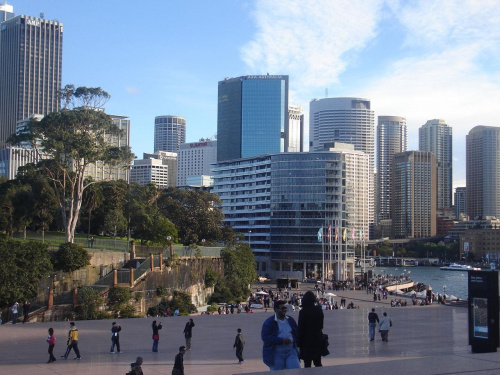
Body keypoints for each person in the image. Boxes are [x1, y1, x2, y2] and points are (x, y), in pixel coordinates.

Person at [261, 300, 300, 371]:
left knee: (296, 371)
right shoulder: (269, 322)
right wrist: (282, 341)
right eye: (282, 308)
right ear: (275, 309)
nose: (284, 310)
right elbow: (265, 338)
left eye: (285, 308)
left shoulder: (290, 320)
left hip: (291, 351)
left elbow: (297, 333)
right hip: (276, 352)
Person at [298, 290, 324, 368]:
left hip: (306, 340)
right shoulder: (319, 310)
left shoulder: (303, 312)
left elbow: (300, 328)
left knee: (307, 363)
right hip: (317, 338)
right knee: (318, 362)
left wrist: (299, 343)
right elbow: (321, 326)